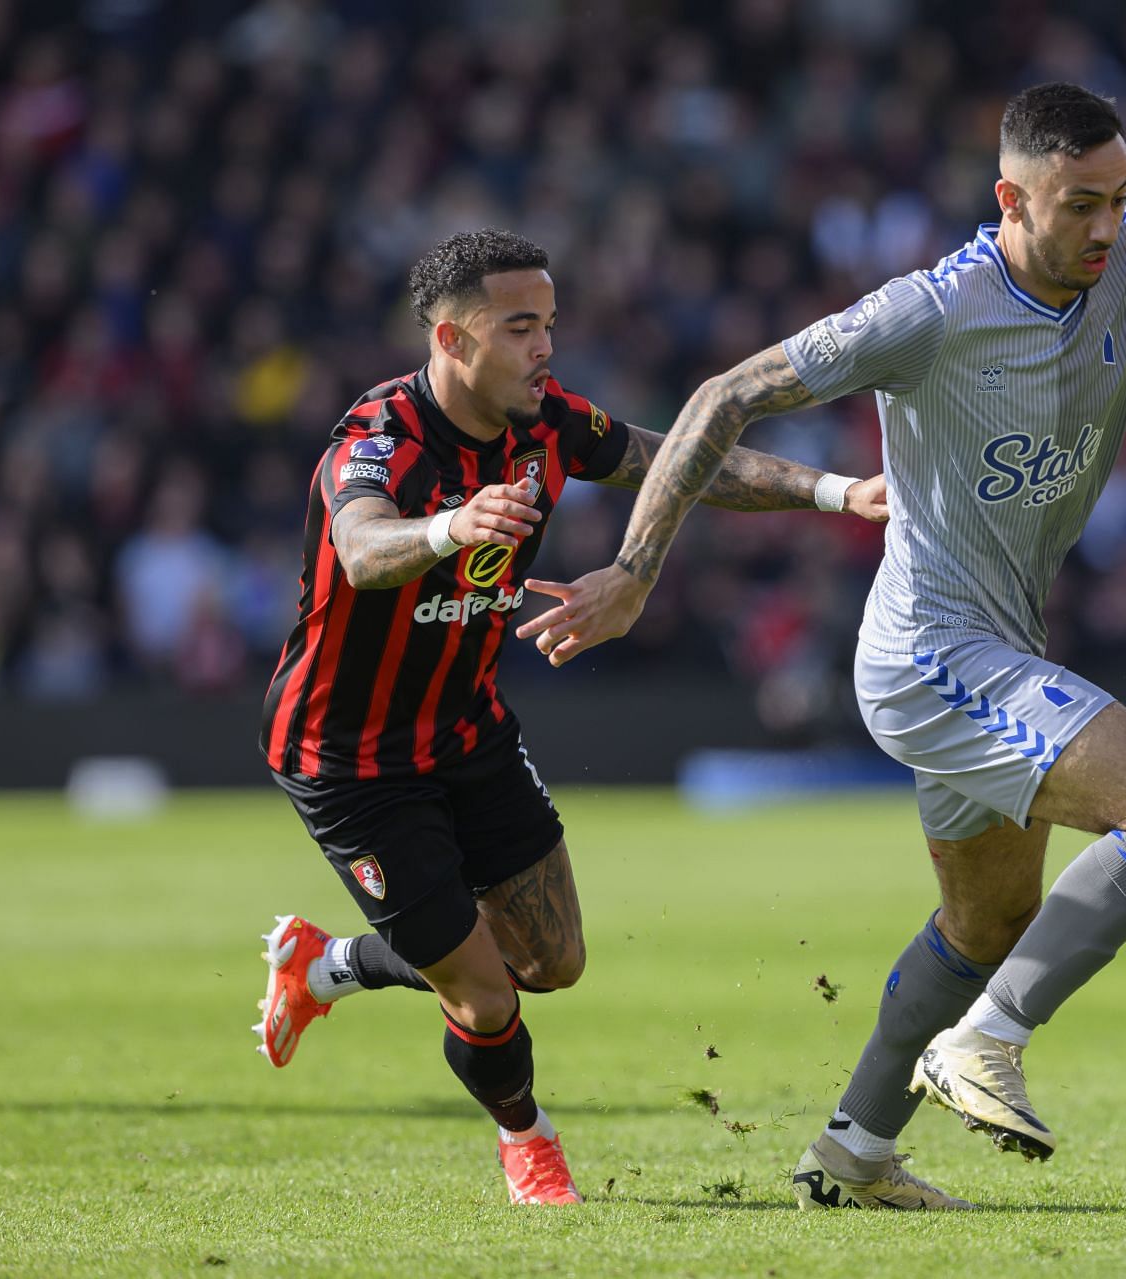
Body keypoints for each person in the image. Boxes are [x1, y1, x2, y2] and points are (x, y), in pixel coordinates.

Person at [520, 84, 1126, 1210]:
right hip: (929, 653)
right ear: (1012, 198)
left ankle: (854, 1151)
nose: (1107, 227)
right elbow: (728, 394)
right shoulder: (932, 309)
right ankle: (985, 1041)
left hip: (999, 641)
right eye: (1079, 206)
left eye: (1121, 199)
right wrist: (634, 570)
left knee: (986, 917)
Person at [254, 228, 886, 1206]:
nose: (545, 347)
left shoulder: (546, 423)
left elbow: (673, 459)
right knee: (485, 994)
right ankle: (530, 1142)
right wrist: (448, 528)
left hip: (467, 727)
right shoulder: (375, 440)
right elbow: (364, 544)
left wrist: (840, 491)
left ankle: (325, 964)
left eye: (549, 323)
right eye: (520, 328)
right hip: (352, 756)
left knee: (552, 961)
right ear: (453, 339)